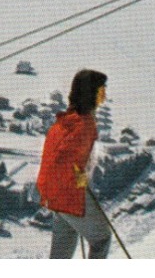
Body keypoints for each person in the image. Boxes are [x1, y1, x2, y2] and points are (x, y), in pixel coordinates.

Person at [38, 69, 113, 259]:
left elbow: (53, 155)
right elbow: (63, 158)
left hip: (54, 194)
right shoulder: (85, 124)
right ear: (91, 92)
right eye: (101, 89)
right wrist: (78, 177)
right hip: (70, 193)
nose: (104, 93)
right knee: (102, 238)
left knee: (63, 248)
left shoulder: (66, 120)